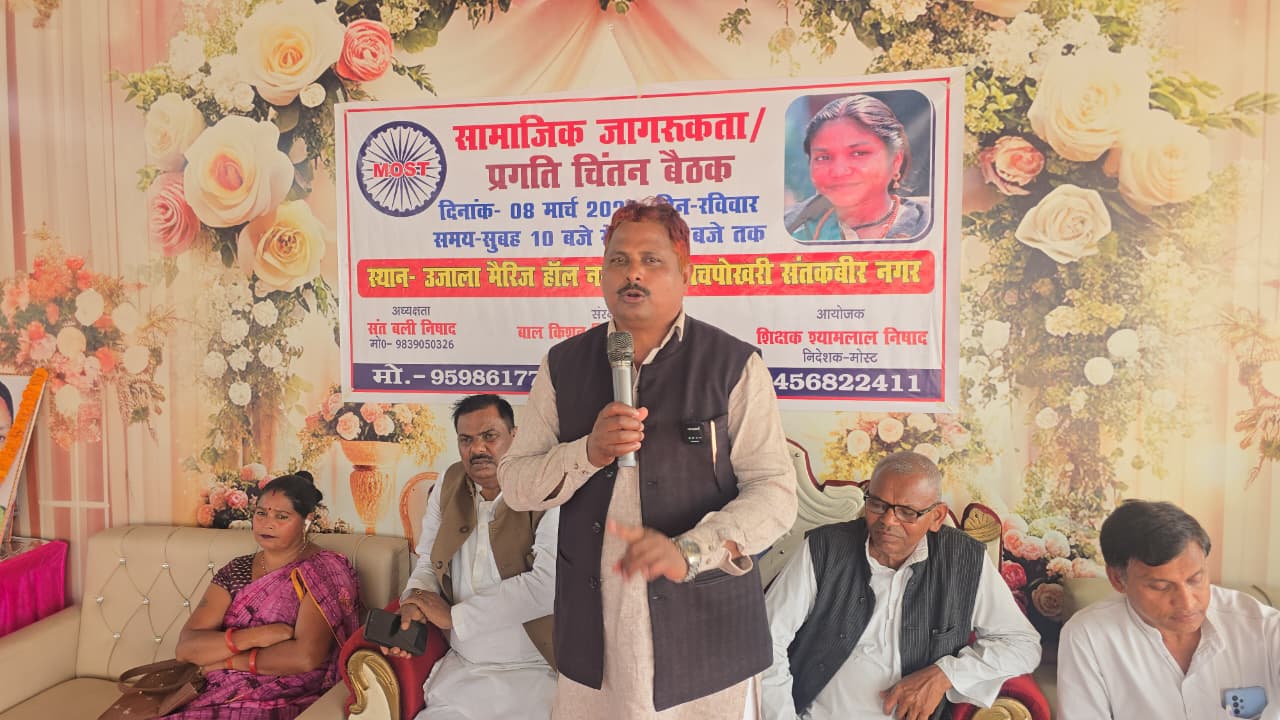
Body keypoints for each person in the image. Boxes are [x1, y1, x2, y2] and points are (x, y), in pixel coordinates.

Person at [499, 197, 798, 719]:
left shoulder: (733, 365)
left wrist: (693, 550)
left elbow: (774, 493)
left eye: (651, 260)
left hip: (705, 628)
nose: (632, 273)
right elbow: (517, 485)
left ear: (686, 274)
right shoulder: (562, 365)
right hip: (596, 625)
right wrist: (587, 452)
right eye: (619, 260)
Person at [761, 451, 1041, 720]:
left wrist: (945, 674)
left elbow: (1023, 645)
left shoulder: (963, 559)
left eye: (907, 512)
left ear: (936, 517)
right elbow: (766, 642)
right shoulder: (824, 548)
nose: (887, 520)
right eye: (877, 504)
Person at [388, 394, 558, 720]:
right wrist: (414, 601)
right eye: (466, 440)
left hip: (536, 671)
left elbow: (547, 585)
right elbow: (428, 561)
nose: (477, 449)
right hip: (464, 670)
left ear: (514, 436)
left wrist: (455, 618)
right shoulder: (449, 483)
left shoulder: (545, 489)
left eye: (489, 436)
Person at [1057, 499, 1280, 719]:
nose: (1187, 602)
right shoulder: (1088, 636)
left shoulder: (1264, 628)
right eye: (1161, 586)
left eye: (1195, 579)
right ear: (1117, 579)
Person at [169, 471, 361, 719]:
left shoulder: (323, 570)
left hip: (288, 695)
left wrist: (227, 662)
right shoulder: (236, 570)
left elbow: (305, 657)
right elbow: (186, 648)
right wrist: (256, 636)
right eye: (261, 513)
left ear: (307, 520)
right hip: (218, 689)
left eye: (282, 516)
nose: (267, 524)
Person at [783, 94, 930, 243]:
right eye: (823, 157)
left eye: (858, 153)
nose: (839, 171)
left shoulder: (930, 227)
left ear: (895, 161)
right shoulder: (790, 229)